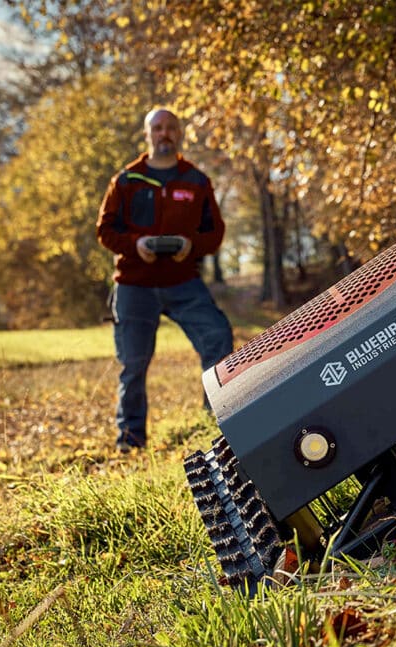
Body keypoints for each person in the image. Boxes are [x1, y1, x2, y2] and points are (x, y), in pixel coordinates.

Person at [96, 107, 234, 452]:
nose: (164, 133)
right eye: (157, 128)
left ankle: (216, 427)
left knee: (217, 337)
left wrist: (191, 246)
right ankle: (130, 442)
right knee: (133, 364)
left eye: (171, 127)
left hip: (183, 283)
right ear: (147, 134)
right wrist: (135, 244)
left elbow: (214, 235)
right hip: (134, 285)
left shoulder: (196, 180)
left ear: (180, 133)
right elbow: (104, 230)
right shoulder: (126, 180)